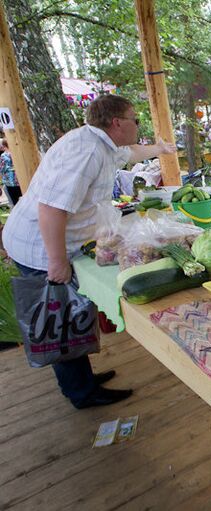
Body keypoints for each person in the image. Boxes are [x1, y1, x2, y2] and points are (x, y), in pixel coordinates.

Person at [2, 94, 176, 409]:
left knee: (73, 312)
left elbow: (133, 151)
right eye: (135, 119)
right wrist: (55, 262)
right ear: (117, 123)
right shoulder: (86, 151)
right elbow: (51, 209)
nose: (138, 124)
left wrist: (160, 150)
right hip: (39, 247)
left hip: (54, 242)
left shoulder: (104, 143)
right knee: (62, 320)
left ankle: (83, 379)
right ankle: (80, 393)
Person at [0, 139, 22, 206]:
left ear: (4, 146)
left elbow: (1, 170)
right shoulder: (18, 153)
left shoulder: (3, 156)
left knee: (14, 203)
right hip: (21, 181)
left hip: (10, 183)